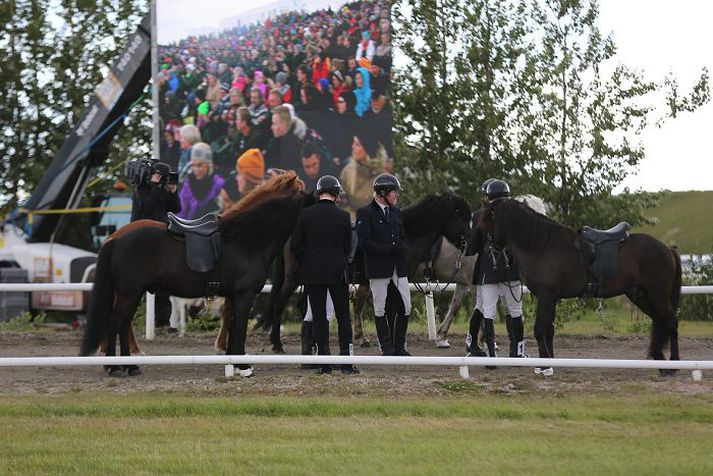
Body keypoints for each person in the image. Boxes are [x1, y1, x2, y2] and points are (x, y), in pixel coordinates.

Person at [290, 175, 358, 375]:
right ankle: (347, 361)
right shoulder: (344, 217)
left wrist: (309, 260)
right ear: (336, 194)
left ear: (319, 193)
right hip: (337, 272)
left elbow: (295, 246)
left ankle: (325, 363)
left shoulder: (305, 215)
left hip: (314, 273)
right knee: (344, 317)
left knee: (319, 318)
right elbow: (347, 248)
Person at [467, 178, 526, 366]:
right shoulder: (517, 215)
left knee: (488, 311)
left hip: (488, 271)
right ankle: (518, 352)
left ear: (488, 197)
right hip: (510, 269)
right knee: (516, 310)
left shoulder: (480, 216)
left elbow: (473, 247)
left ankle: (491, 356)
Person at [356, 173, 411, 356]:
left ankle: (399, 347)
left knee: (406, 306)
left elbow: (403, 236)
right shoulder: (365, 213)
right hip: (378, 267)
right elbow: (365, 243)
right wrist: (389, 249)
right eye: (394, 192)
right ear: (382, 192)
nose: (397, 195)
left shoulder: (396, 212)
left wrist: (403, 248)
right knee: (380, 307)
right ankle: (386, 347)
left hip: (398, 267)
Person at [130, 161, 180, 330]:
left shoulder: (161, 191)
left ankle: (163, 323)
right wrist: (153, 186)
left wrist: (173, 193)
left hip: (160, 241)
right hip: (142, 240)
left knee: (164, 282)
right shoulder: (141, 190)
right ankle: (128, 318)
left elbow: (175, 208)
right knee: (136, 282)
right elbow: (146, 209)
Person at [178, 142, 225, 219]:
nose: (196, 169)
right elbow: (181, 212)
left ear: (208, 165)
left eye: (200, 165)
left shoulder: (218, 184)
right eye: (193, 165)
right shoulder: (188, 184)